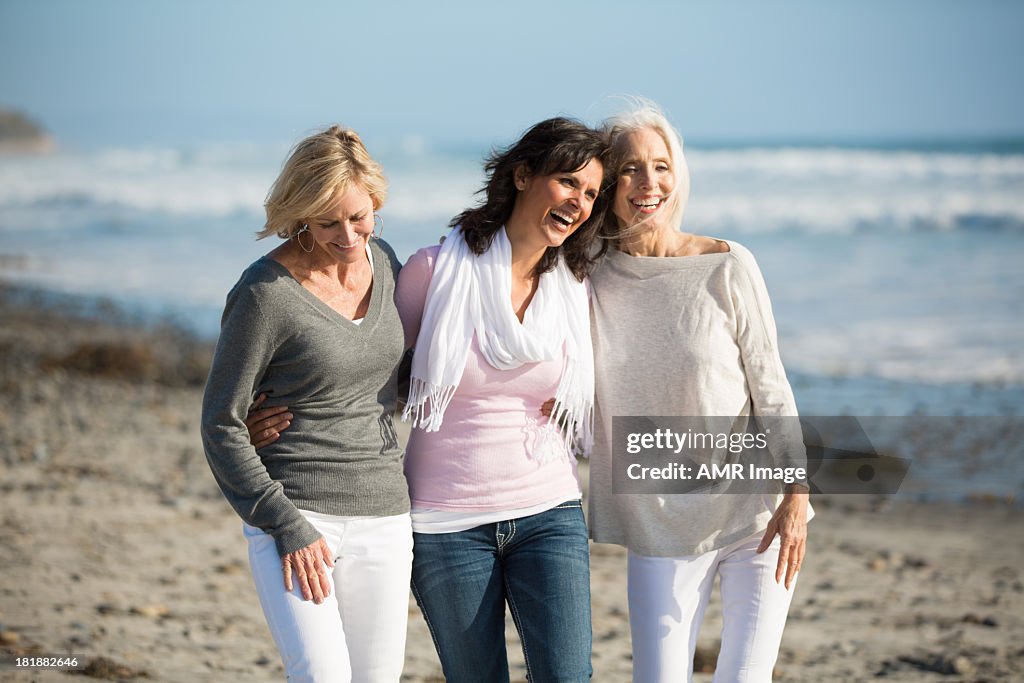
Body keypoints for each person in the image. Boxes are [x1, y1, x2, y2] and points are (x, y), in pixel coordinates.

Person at [585, 102, 812, 682]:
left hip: (754, 512)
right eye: (631, 169)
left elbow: (770, 382)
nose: (649, 183)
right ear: (608, 184)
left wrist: (796, 492)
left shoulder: (727, 265)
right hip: (657, 518)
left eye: (661, 166)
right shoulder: (587, 274)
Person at [394, 117, 604, 683]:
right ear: (521, 175)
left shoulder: (574, 288)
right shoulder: (433, 272)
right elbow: (367, 378)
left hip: (549, 511)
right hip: (445, 523)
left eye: (590, 193)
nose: (579, 202)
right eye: (568, 182)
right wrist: (278, 415)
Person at [201, 125, 412, 683]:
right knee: (320, 675)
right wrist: (284, 525)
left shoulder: (388, 263)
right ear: (300, 216)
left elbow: (403, 376)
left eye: (359, 217)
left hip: (385, 514)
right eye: (326, 222)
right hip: (297, 512)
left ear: (376, 204)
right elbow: (221, 424)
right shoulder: (264, 294)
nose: (347, 235)